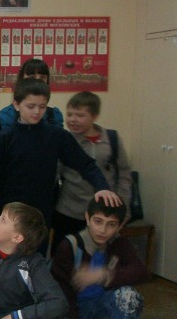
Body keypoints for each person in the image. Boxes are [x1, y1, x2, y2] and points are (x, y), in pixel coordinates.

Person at [0, 78, 120, 234]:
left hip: (41, 212)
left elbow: (85, 164)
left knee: (38, 247)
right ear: (16, 105)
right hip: (10, 213)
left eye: (42, 106)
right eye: (31, 106)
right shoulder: (4, 138)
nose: (37, 112)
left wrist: (102, 187)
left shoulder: (56, 135)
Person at [52, 199, 149, 319]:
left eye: (111, 224)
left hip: (103, 305)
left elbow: (141, 271)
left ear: (119, 226)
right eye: (98, 221)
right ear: (87, 218)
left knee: (129, 297)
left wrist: (103, 275)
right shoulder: (70, 245)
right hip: (74, 310)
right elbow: (61, 294)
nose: (103, 230)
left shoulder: (119, 244)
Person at [53, 91, 132, 247]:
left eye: (80, 115)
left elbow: (124, 174)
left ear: (94, 116)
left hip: (105, 212)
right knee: (65, 252)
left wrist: (123, 207)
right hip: (69, 210)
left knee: (100, 254)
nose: (73, 120)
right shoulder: (64, 140)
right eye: (69, 114)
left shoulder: (112, 139)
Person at [0, 58, 64, 129]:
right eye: (32, 77)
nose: (37, 80)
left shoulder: (53, 116)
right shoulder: (7, 115)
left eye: (42, 77)